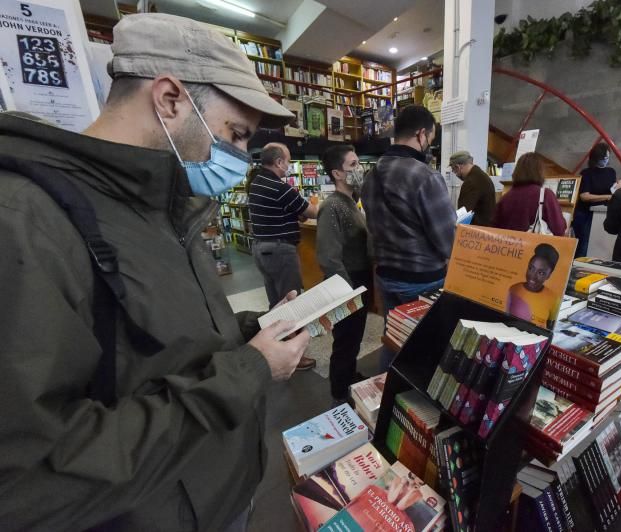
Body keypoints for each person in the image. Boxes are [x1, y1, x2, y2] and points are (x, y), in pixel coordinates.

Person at [0, 13, 311, 531]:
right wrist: (251, 370)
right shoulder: (28, 220)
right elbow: (32, 476)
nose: (239, 157)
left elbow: (161, 347)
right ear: (169, 100)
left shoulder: (164, 204)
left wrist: (250, 333)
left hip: (214, 496)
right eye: (235, 134)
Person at [361, 105, 456, 370]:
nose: (429, 145)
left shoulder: (371, 175)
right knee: (427, 347)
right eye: (431, 139)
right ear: (422, 134)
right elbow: (449, 241)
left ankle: (381, 397)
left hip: (386, 276)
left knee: (394, 339)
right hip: (422, 279)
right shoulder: (425, 176)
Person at [250, 142, 318, 371]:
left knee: (275, 303)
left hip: (262, 249)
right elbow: (310, 212)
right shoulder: (279, 187)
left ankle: (274, 348)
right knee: (291, 302)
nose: (288, 165)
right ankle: (293, 356)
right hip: (280, 250)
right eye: (288, 161)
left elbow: (287, 212)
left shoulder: (257, 182)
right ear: (279, 162)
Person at [317, 145, 373, 402]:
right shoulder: (332, 206)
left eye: (358, 163)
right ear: (337, 173)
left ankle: (348, 377)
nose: (358, 169)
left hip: (359, 281)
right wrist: (347, 294)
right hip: (346, 283)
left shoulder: (352, 201)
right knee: (345, 341)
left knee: (353, 338)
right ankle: (339, 391)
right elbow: (329, 256)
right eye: (352, 165)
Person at [492, 152, 567, 236]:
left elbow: (494, 226)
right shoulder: (545, 195)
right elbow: (559, 230)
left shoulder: (506, 197)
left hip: (509, 247)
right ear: (540, 172)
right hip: (533, 247)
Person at [573, 143, 621, 257]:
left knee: (600, 245)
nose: (606, 160)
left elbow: (611, 190)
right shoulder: (586, 173)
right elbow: (584, 196)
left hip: (603, 212)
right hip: (586, 213)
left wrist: (617, 187)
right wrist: (607, 197)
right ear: (596, 158)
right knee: (584, 245)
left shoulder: (611, 171)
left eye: (608, 157)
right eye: (603, 158)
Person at [506, 244, 561, 329]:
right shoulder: (514, 289)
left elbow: (550, 328)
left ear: (549, 275)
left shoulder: (554, 299)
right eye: (531, 268)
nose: (533, 276)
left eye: (541, 273)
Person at [449, 150, 496, 226]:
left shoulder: (471, 182)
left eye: (454, 170)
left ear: (458, 167)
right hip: (487, 228)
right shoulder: (480, 175)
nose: (456, 174)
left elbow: (463, 215)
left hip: (478, 232)